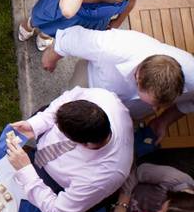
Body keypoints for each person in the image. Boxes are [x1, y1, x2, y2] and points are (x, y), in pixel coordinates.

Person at [6, 86, 133, 212]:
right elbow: (62, 103)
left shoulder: (101, 177)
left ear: (85, 145)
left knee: (13, 200)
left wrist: (26, 171)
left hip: (51, 181)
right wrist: (35, 124)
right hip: (48, 151)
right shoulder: (102, 97)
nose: (55, 128)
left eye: (61, 131)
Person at [44, 26, 194, 138]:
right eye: (152, 103)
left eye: (158, 106)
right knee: (63, 117)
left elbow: (190, 102)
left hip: (128, 112)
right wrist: (51, 57)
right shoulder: (114, 47)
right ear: (138, 75)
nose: (154, 109)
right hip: (89, 83)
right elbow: (72, 38)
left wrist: (163, 121)